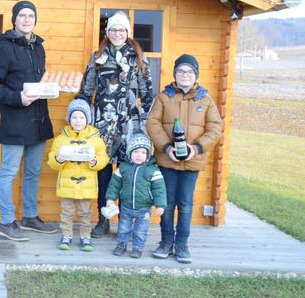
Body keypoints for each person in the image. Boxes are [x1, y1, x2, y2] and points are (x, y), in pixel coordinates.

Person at [0, 0, 57, 241]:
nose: (27, 19)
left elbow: (38, 81)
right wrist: (17, 98)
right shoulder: (4, 47)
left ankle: (30, 217)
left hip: (39, 120)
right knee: (9, 173)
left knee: (34, 172)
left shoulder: (38, 47)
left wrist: (52, 88)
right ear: (14, 19)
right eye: (22, 16)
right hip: (16, 119)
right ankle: (7, 221)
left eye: (31, 16)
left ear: (35, 19)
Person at [77, 11, 154, 238]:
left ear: (127, 33)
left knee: (127, 175)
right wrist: (78, 116)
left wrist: (148, 125)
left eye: (121, 30)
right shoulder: (97, 57)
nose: (117, 34)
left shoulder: (138, 58)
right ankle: (103, 220)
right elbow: (86, 91)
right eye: (113, 30)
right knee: (103, 176)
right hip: (101, 128)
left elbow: (148, 95)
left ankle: (126, 222)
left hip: (129, 127)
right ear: (107, 32)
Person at [146, 54, 223, 263]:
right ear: (175, 74)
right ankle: (165, 243)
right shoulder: (164, 97)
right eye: (181, 71)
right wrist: (165, 147)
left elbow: (215, 128)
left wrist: (197, 148)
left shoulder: (205, 99)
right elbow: (152, 123)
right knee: (168, 202)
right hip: (167, 161)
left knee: (186, 204)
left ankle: (182, 245)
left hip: (192, 162)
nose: (185, 75)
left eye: (189, 71)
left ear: (195, 75)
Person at [47, 99, 109, 251]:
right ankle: (66, 235)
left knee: (85, 213)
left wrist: (95, 162)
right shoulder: (62, 138)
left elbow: (104, 158)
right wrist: (58, 159)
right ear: (69, 119)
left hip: (86, 184)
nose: (78, 121)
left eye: (82, 117)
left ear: (87, 119)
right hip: (67, 184)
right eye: (74, 117)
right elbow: (52, 158)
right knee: (66, 212)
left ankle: (85, 236)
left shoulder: (95, 139)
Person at [105, 130, 166, 258]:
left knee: (140, 231)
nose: (139, 155)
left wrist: (160, 205)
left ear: (148, 155)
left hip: (143, 208)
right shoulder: (123, 168)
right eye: (136, 152)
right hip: (126, 207)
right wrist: (111, 198)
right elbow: (114, 185)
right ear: (129, 153)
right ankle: (121, 245)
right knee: (123, 228)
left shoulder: (153, 170)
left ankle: (137, 248)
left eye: (143, 152)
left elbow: (159, 189)